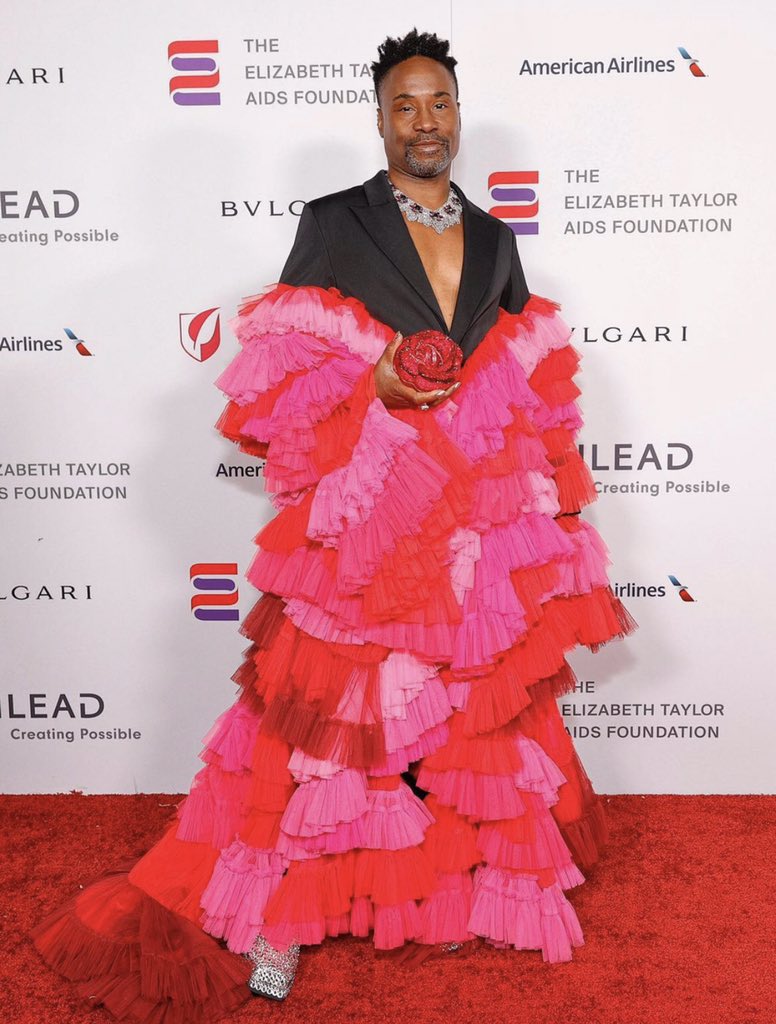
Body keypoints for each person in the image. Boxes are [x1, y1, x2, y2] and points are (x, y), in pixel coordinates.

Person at [30, 27, 638, 1018]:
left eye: (438, 102)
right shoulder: (334, 221)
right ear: (379, 117)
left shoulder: (494, 236)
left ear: (456, 111)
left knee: (464, 710)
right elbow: (278, 367)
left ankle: (450, 887)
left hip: (469, 522)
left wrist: (547, 497)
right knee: (329, 726)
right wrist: (377, 380)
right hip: (370, 514)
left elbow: (526, 374)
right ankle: (281, 920)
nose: (423, 120)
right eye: (404, 104)